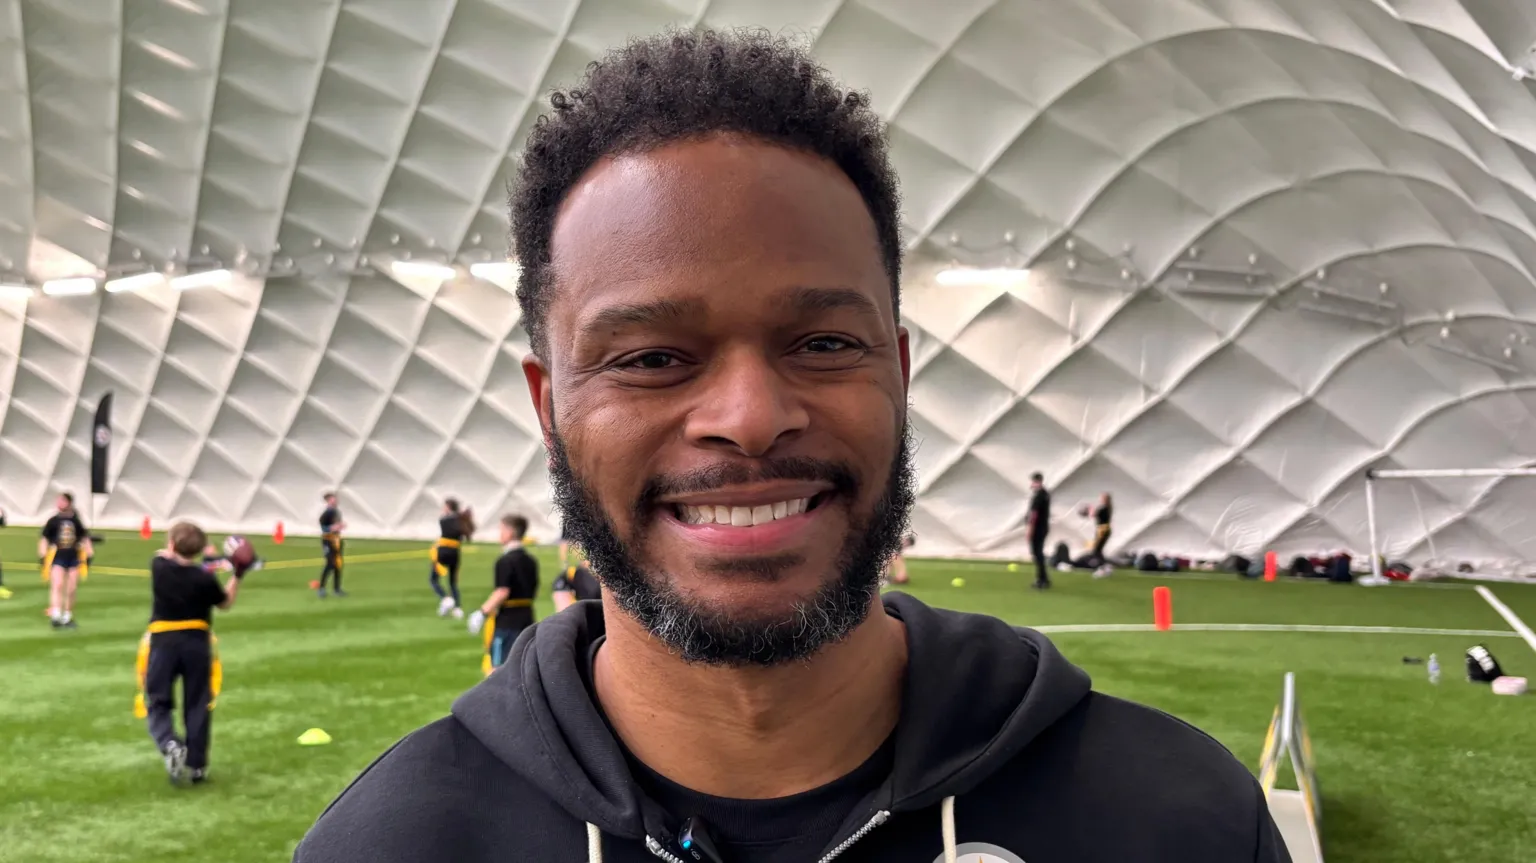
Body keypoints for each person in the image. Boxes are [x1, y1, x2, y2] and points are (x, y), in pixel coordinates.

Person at [293, 28, 1289, 863]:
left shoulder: (1180, 821)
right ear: (550, 405)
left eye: (821, 342)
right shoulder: (394, 843)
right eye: (649, 356)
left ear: (896, 369)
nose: (750, 413)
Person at [134, 521, 243, 785]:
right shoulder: (204, 577)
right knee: (197, 703)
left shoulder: (159, 567)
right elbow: (225, 602)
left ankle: (169, 742)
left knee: (158, 701)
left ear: (172, 544)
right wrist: (237, 573)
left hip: (163, 641)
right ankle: (197, 765)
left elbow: (164, 553)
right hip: (197, 641)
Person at [468, 515, 540, 674]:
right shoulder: (531, 561)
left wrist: (482, 613)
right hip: (527, 618)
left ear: (509, 532)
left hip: (507, 622)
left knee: (497, 671)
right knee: (523, 667)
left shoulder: (505, 561)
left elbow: (502, 591)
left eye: (501, 530)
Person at [39, 492, 91, 628]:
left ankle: (67, 616)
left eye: (62, 501)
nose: (59, 503)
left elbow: (84, 537)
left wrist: (89, 555)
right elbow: (44, 538)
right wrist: (43, 556)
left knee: (71, 588)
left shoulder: (76, 520)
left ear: (69, 503)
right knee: (57, 585)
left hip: (74, 557)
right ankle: (56, 615)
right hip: (58, 556)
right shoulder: (53, 520)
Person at [429, 498, 470, 618]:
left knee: (433, 579)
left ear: (448, 507)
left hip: (443, 551)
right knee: (453, 582)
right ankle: (457, 608)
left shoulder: (444, 520)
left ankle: (445, 598)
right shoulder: (462, 521)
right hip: (455, 552)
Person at [317, 492, 347, 598]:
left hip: (336, 540)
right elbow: (323, 527)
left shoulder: (337, 512)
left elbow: (337, 525)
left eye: (335, 499)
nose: (335, 501)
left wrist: (340, 526)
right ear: (328, 501)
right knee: (329, 564)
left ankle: (337, 589)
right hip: (328, 540)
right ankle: (321, 588)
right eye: (332, 499)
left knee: (338, 564)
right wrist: (332, 528)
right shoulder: (326, 513)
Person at [1026, 473, 1052, 589]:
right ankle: (1044, 578)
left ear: (1037, 481)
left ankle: (1041, 579)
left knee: (1037, 553)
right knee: (1038, 553)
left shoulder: (1039, 496)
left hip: (1038, 528)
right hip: (1043, 527)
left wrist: (1030, 529)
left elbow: (1034, 514)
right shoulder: (1045, 494)